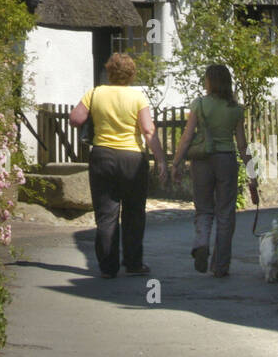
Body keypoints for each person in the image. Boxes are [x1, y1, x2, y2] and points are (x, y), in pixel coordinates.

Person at [69, 53, 169, 278]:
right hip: (132, 159)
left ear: (109, 72)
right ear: (131, 74)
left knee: (106, 214)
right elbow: (148, 130)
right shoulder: (137, 97)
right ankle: (133, 264)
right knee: (134, 212)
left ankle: (108, 267)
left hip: (102, 156)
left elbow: (75, 118)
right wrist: (161, 159)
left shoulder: (94, 93)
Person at [171, 63, 253, 277]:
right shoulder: (236, 109)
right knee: (225, 213)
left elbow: (187, 136)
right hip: (226, 160)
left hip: (202, 161)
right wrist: (252, 174)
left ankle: (201, 242)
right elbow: (242, 145)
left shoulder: (199, 104)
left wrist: (176, 162)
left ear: (209, 82)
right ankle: (220, 266)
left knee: (204, 208)